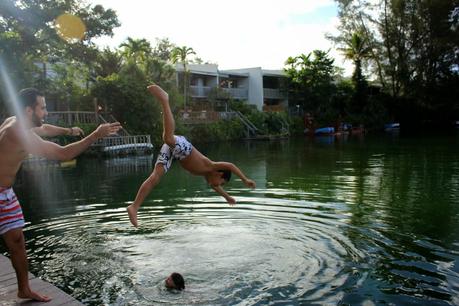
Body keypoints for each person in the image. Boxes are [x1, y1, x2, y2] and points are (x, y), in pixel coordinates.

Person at [0, 88, 121, 302]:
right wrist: (96, 135)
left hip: (5, 193)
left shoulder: (15, 121)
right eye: (43, 108)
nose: (46, 112)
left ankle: (24, 289)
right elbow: (63, 154)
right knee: (15, 241)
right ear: (29, 110)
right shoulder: (19, 133)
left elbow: (44, 128)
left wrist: (68, 130)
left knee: (17, 242)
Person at [127, 84, 256, 227]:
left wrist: (227, 198)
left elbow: (216, 187)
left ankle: (134, 207)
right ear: (220, 174)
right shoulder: (211, 166)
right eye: (222, 183)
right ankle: (165, 100)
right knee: (168, 138)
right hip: (185, 148)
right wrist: (245, 179)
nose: (219, 186)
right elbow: (230, 166)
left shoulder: (208, 176)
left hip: (176, 154)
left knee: (155, 176)